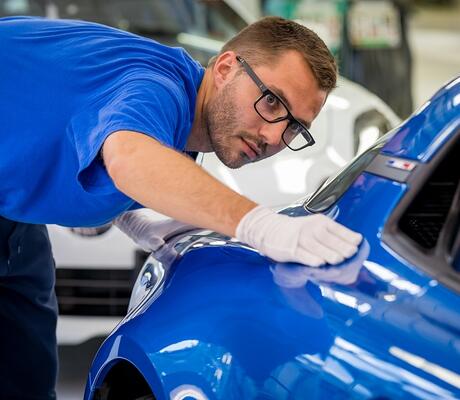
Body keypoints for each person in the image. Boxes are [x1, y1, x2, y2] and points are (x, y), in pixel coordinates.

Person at [0, 15, 362, 399]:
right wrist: (262, 225)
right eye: (271, 101)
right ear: (225, 68)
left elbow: (73, 122)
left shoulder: (178, 117)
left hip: (14, 223)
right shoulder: (157, 86)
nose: (273, 136)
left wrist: (122, 211)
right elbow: (130, 159)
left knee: (26, 376)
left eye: (294, 128)